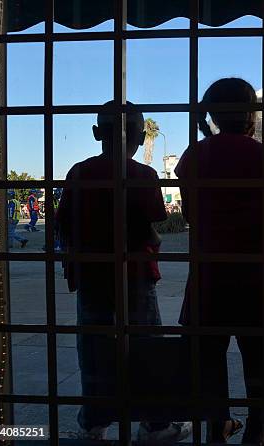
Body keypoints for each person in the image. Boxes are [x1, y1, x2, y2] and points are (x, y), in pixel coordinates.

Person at [175, 77, 264, 444]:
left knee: (211, 362)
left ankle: (217, 427)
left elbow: (190, 216)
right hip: (255, 278)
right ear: (251, 112)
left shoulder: (194, 156)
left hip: (209, 277)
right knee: (258, 362)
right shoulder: (263, 155)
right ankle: (257, 428)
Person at [56, 101, 191, 443]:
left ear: (97, 133)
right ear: (139, 134)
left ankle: (94, 421)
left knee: (94, 349)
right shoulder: (143, 175)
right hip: (135, 276)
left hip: (91, 276)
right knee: (147, 348)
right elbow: (150, 228)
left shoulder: (78, 172)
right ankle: (156, 422)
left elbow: (64, 225)